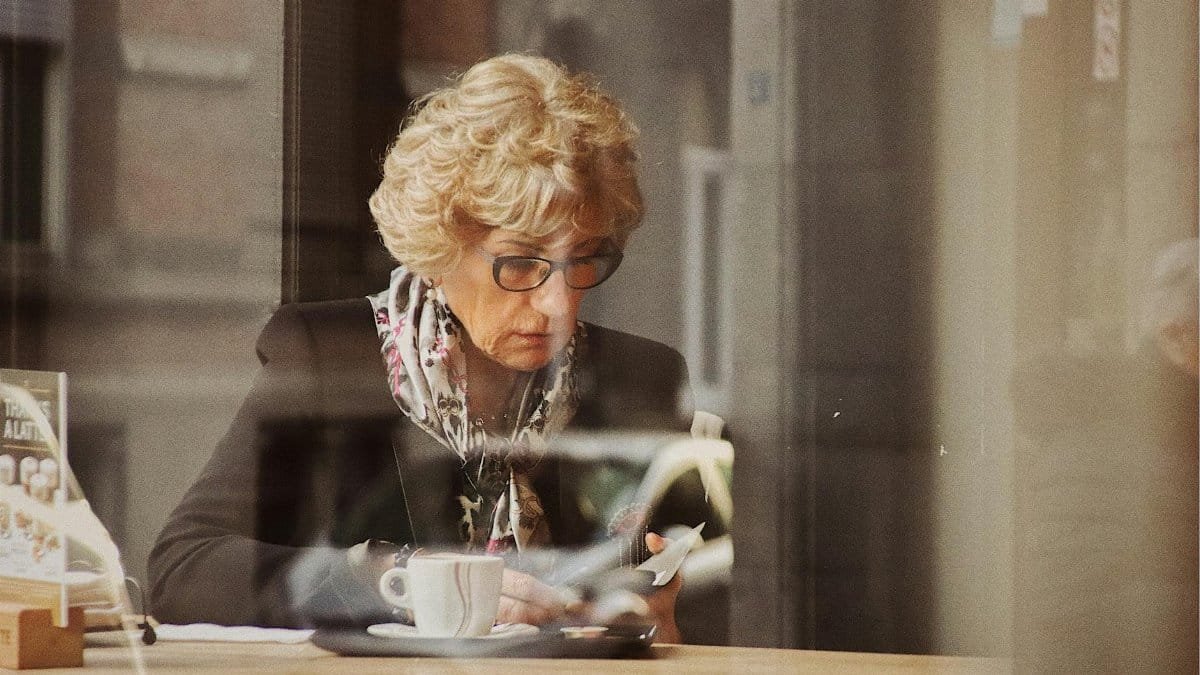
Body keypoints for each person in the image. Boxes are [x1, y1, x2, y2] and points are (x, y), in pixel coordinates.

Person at [148, 54, 695, 641]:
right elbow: (183, 568)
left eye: (582, 260)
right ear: (439, 247)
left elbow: (707, 600)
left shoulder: (642, 378)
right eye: (520, 262)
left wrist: (656, 614)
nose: (559, 304)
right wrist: (394, 580)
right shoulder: (330, 360)